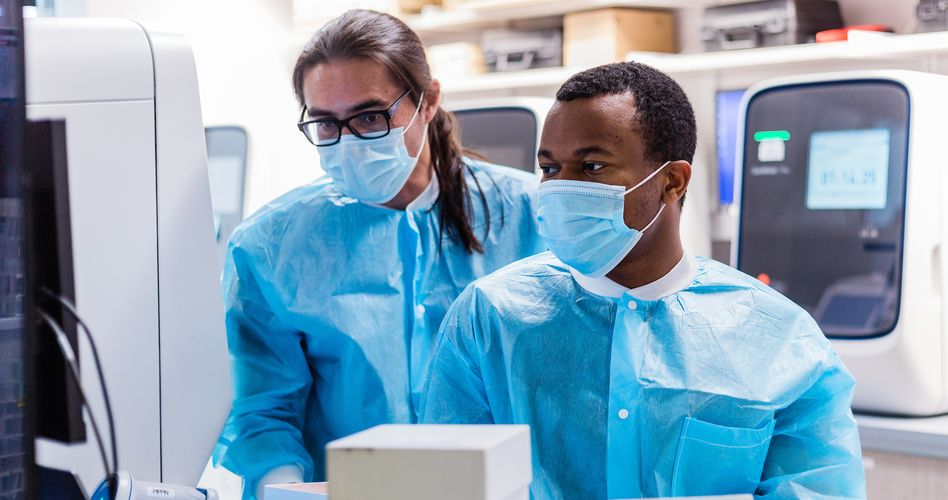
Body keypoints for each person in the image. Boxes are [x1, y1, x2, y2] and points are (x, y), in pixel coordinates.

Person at [420, 62, 865, 499]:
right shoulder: (491, 317)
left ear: (672, 181)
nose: (562, 188)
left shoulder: (779, 339)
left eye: (592, 167)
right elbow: (444, 483)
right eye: (551, 169)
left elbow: (821, 488)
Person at [211, 10, 544, 499]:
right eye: (325, 124)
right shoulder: (271, 246)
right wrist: (283, 488)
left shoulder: (531, 217)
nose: (348, 142)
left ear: (428, 101)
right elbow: (262, 409)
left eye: (370, 117)